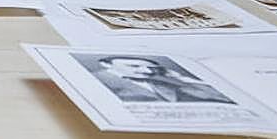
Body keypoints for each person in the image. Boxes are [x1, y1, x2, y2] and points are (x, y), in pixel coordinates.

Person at [90, 56, 232, 104]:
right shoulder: (96, 80)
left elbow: (221, 98)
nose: (146, 71)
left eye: (150, 68)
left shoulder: (166, 82)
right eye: (134, 66)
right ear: (106, 65)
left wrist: (183, 79)